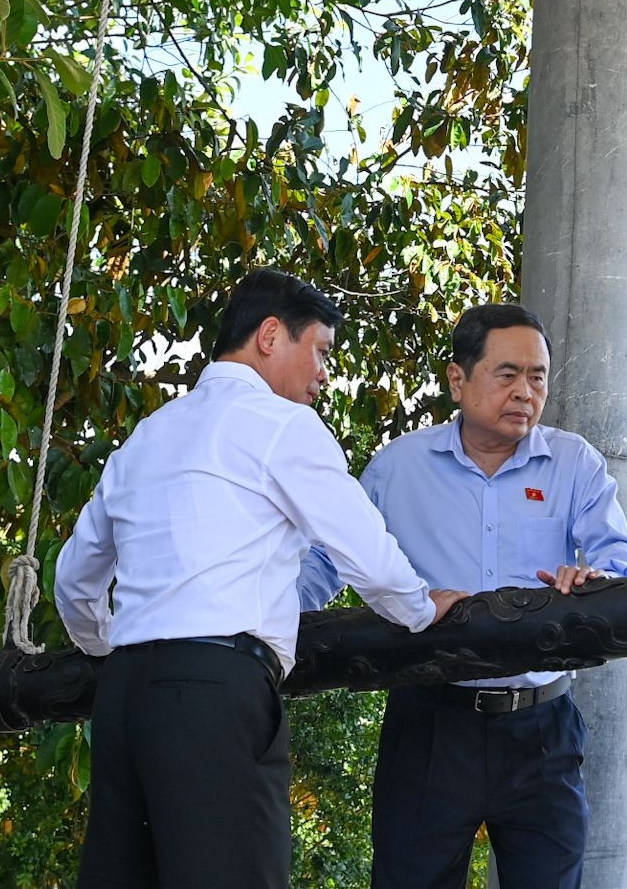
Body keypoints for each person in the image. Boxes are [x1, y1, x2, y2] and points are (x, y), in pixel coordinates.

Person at [53, 268, 464, 889]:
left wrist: (110, 648)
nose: (324, 374)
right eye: (320, 351)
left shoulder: (147, 435)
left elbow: (74, 579)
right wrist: (419, 610)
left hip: (123, 698)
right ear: (271, 335)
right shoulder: (281, 425)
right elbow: (365, 549)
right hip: (217, 693)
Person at [300, 302, 627, 889]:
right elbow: (324, 568)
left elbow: (623, 559)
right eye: (507, 374)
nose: (525, 392)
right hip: (432, 722)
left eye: (537, 376)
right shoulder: (397, 469)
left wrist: (594, 582)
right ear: (457, 379)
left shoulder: (574, 463)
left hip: (542, 728)